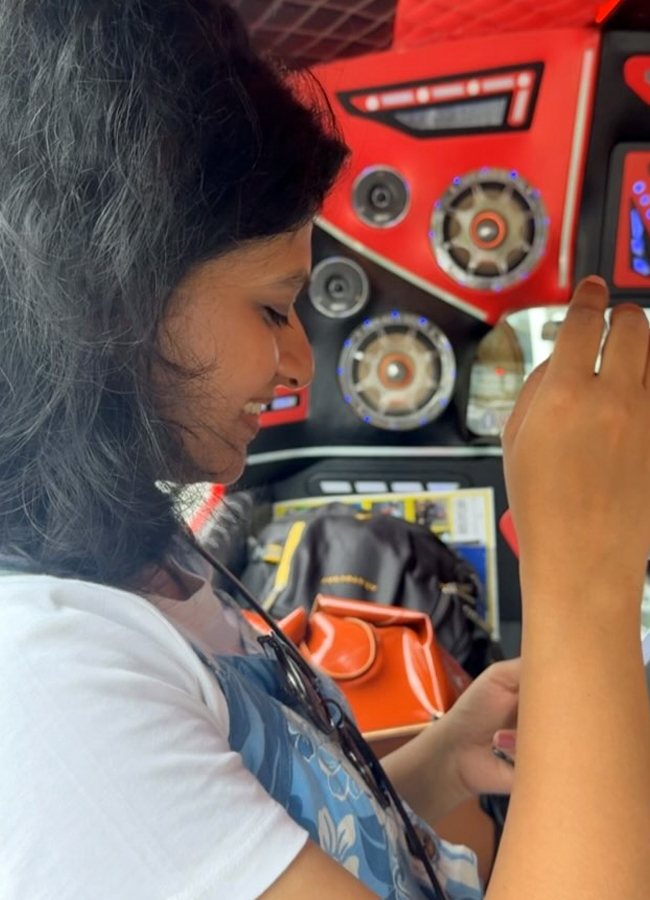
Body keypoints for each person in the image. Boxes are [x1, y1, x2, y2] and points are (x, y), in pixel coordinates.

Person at [0, 2, 648, 899]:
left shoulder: (122, 546)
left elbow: (272, 824)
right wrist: (586, 578)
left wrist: (440, 759)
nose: (300, 359)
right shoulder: (41, 698)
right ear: (108, 308)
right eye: (272, 308)